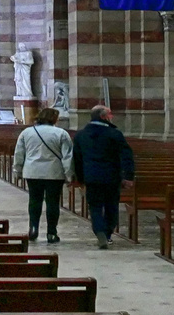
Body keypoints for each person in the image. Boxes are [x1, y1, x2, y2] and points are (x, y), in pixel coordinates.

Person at [72, 103, 134, 249]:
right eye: (110, 114)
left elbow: (77, 159)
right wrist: (129, 176)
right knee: (111, 206)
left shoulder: (81, 135)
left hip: (91, 176)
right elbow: (126, 156)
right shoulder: (114, 134)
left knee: (95, 206)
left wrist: (80, 178)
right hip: (111, 176)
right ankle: (107, 233)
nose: (112, 117)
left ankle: (99, 231)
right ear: (103, 117)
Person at [12, 106, 73, 243]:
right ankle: (51, 233)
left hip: (33, 171)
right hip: (54, 172)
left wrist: (17, 170)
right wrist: (69, 175)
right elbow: (67, 157)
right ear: (54, 119)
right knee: (52, 202)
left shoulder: (27, 132)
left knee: (34, 200)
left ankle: (33, 229)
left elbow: (19, 154)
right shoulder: (61, 133)